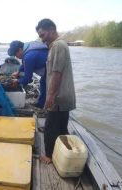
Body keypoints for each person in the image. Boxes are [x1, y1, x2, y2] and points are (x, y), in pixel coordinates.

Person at [36, 19, 76, 164]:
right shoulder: (59, 45)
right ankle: (65, 154)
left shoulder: (58, 46)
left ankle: (49, 156)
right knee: (61, 127)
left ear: (52, 30)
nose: (42, 39)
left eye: (43, 35)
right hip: (64, 97)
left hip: (58, 98)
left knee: (50, 128)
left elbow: (57, 73)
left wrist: (50, 95)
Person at [7, 40, 48, 108]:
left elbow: (27, 78)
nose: (16, 57)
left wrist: (17, 81)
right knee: (43, 84)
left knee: (45, 86)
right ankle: (41, 104)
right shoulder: (29, 47)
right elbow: (25, 64)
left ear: (20, 50)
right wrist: (18, 71)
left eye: (15, 54)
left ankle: (43, 107)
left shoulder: (29, 57)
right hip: (47, 71)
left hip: (51, 73)